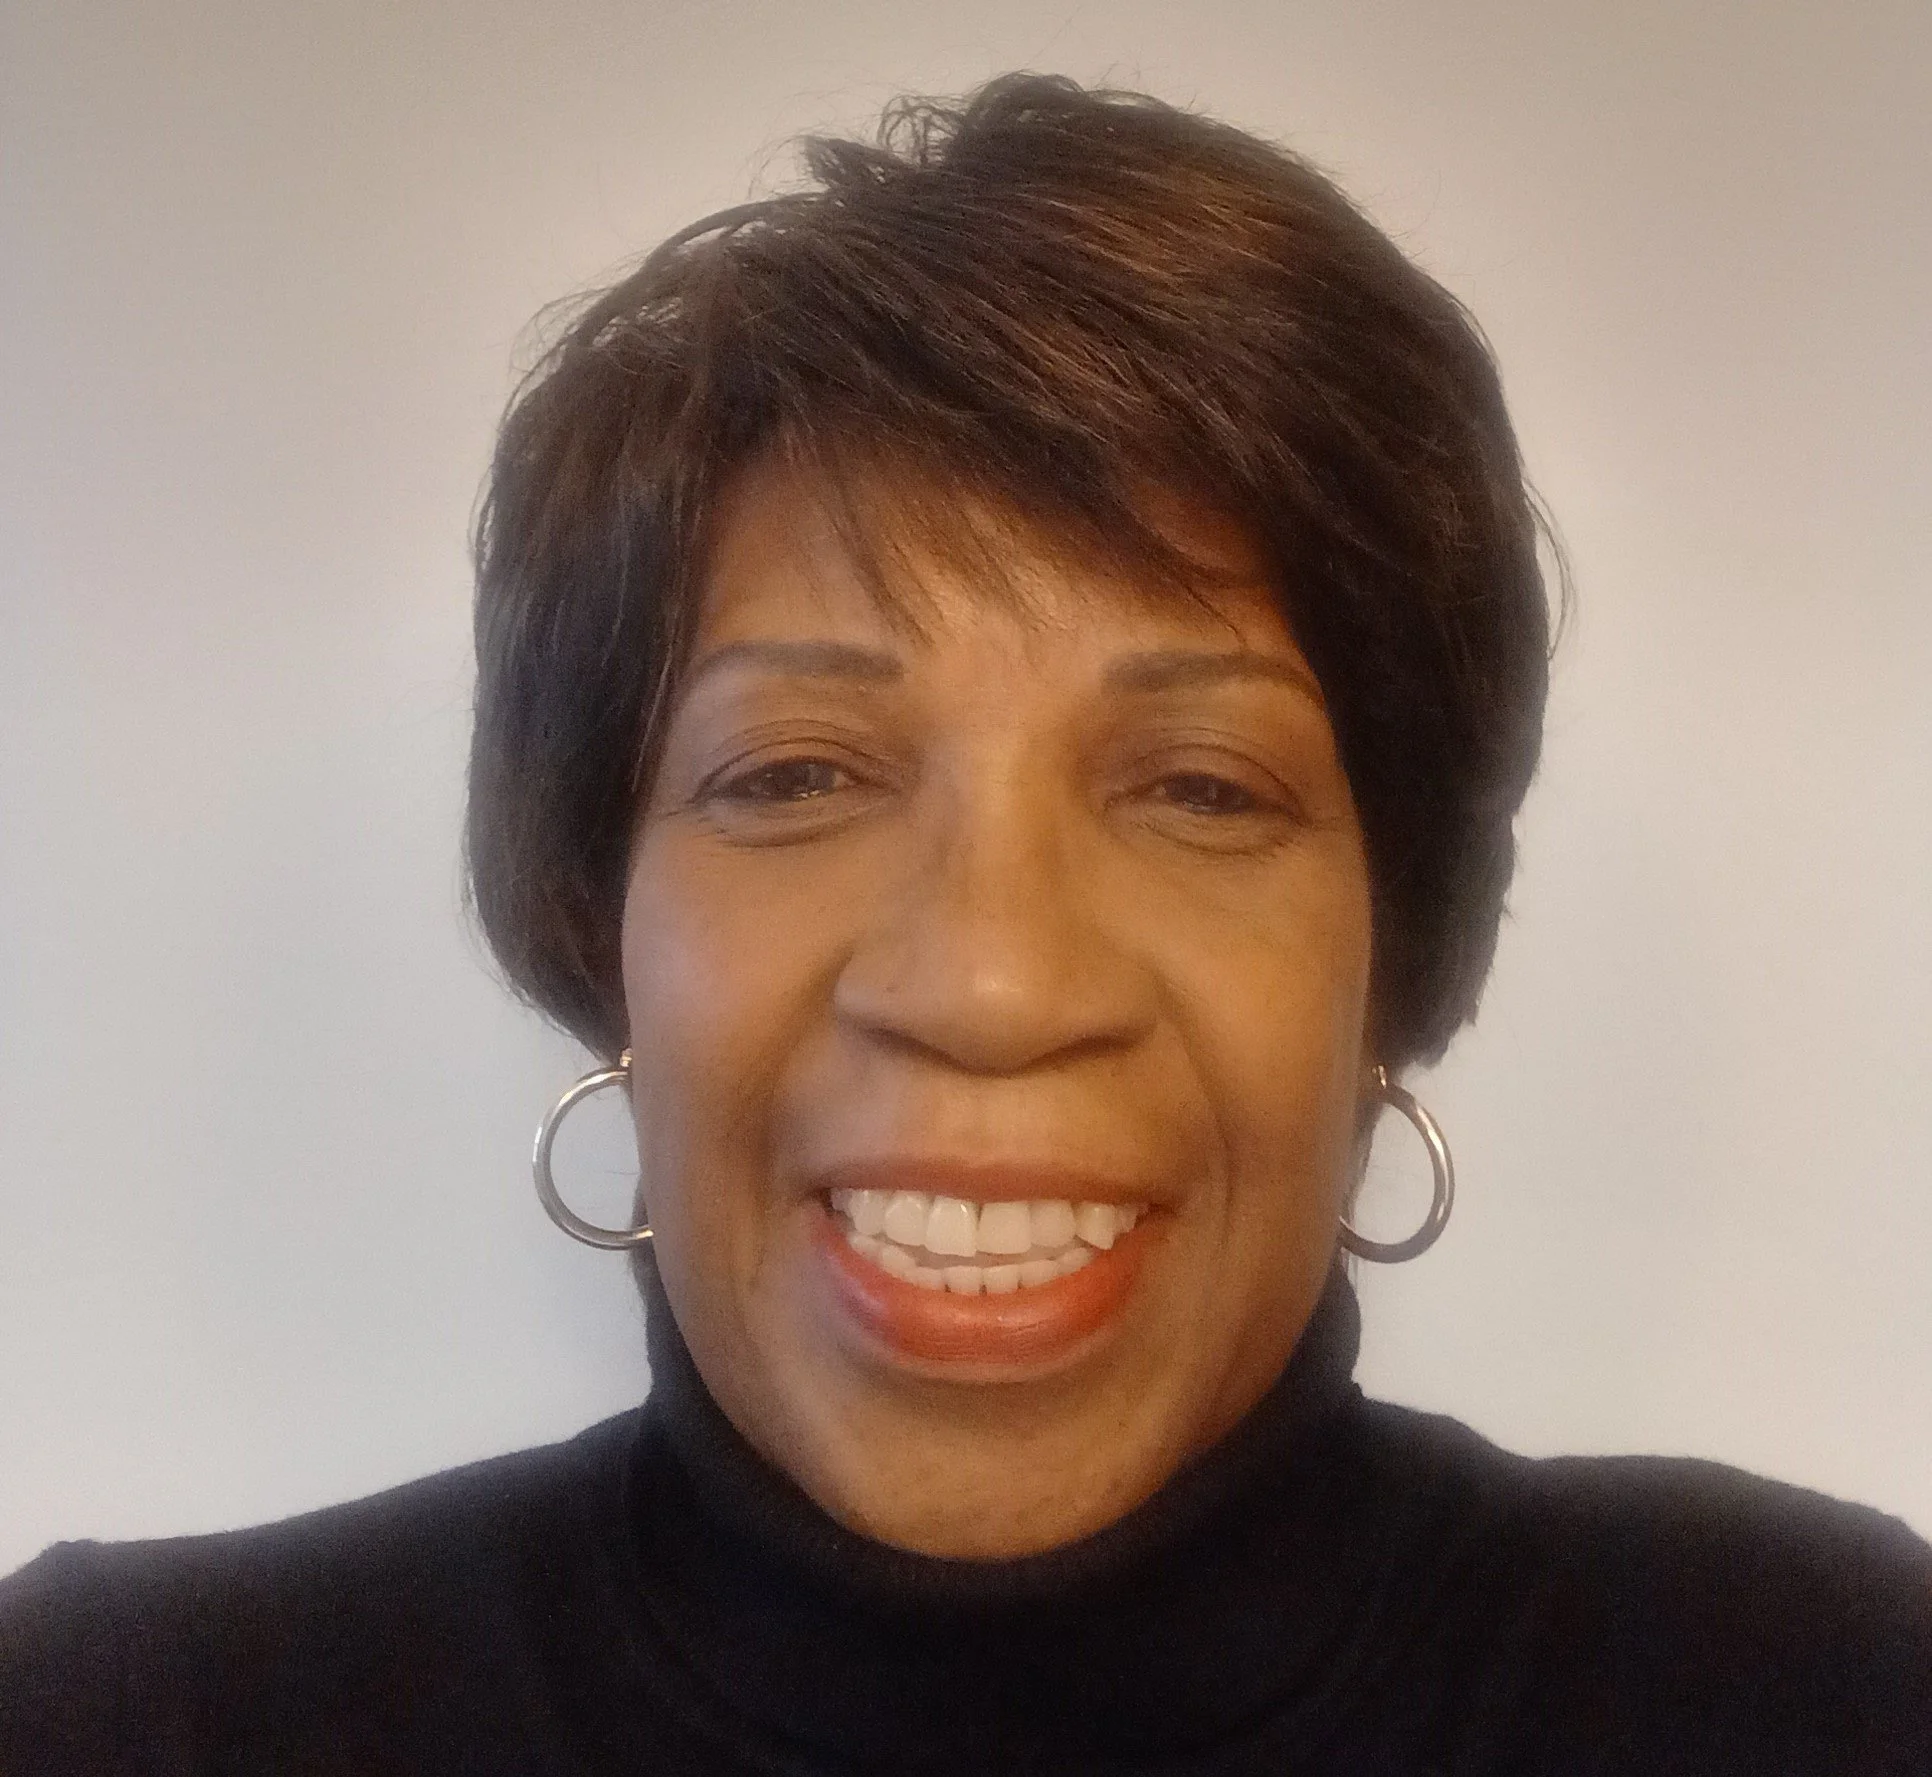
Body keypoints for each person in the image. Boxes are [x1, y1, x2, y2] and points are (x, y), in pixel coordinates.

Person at [3, 71, 1927, 1775]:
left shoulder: (1816, 1692)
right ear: (601, 922)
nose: (994, 982)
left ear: (1391, 972)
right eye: (796, 776)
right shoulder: (133, 1720)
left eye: (1201, 787)